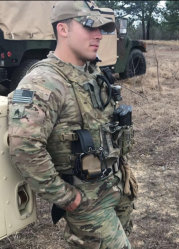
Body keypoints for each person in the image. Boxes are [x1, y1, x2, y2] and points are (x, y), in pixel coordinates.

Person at [8, 1, 138, 248]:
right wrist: (66, 197)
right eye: (89, 27)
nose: (99, 35)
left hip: (117, 187)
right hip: (88, 202)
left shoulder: (92, 72)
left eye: (101, 28)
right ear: (63, 30)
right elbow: (24, 148)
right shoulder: (44, 81)